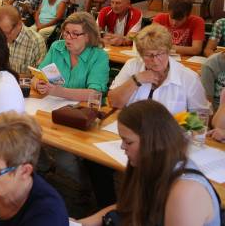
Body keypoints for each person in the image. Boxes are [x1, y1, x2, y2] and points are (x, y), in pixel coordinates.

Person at [78, 100, 221, 226]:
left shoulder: (185, 193)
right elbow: (128, 207)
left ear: (152, 141)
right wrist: (81, 224)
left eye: (128, 141)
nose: (122, 147)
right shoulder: (155, 163)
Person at [108, 24, 209, 113]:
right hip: (133, 129)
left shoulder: (189, 78)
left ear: (169, 51)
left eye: (160, 53)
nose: (155, 61)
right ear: (140, 54)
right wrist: (136, 80)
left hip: (172, 133)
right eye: (148, 55)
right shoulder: (132, 66)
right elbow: (114, 102)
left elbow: (202, 117)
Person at [34, 12, 109, 102]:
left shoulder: (99, 56)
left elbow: (95, 94)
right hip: (51, 104)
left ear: (88, 37)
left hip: (81, 110)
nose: (68, 37)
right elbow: (37, 76)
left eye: (75, 34)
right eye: (66, 32)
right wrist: (37, 84)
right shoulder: (56, 47)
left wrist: (60, 92)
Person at [0, 6, 46, 76]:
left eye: (6, 33)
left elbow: (40, 76)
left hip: (22, 85)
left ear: (19, 24)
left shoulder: (36, 42)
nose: (2, 37)